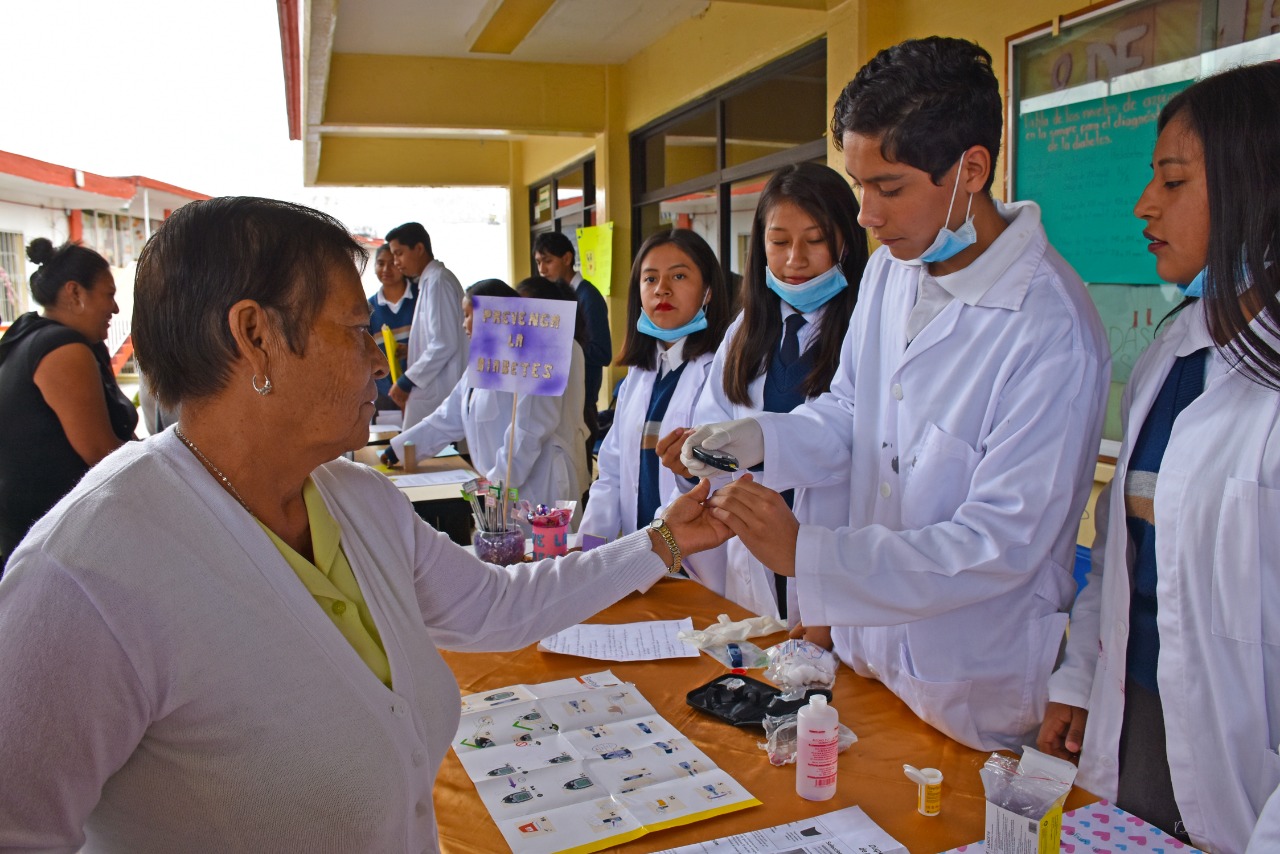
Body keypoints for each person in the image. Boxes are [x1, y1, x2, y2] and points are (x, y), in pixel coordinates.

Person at [0, 197, 730, 850]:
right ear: (256, 337)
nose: (380, 367)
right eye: (355, 331)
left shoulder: (357, 500)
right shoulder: (87, 573)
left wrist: (663, 542)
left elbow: (502, 608)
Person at [685, 36, 1110, 752]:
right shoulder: (891, 272)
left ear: (971, 169)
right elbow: (852, 411)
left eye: (889, 188)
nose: (867, 216)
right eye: (859, 186)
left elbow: (999, 542)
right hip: (863, 660)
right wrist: (760, 438)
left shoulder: (1051, 329)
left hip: (968, 683)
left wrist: (810, 556)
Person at [1036, 63, 1280, 852]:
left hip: (1251, 769)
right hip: (1137, 721)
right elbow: (1115, 556)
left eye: (1173, 181)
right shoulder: (1171, 354)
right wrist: (1077, 679)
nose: (1145, 204)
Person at [662, 163, 867, 620]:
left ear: (847, 243)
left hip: (835, 551)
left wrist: (760, 440)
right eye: (779, 242)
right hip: (750, 557)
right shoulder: (743, 333)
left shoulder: (867, 331)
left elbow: (856, 439)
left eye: (815, 241)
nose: (795, 258)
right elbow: (719, 442)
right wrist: (692, 461)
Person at [578, 229, 730, 544]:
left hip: (693, 559)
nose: (662, 290)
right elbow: (611, 473)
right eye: (650, 279)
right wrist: (589, 548)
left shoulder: (723, 372)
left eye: (678, 276)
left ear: (709, 291)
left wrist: (651, 550)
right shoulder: (638, 375)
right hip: (641, 555)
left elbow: (716, 479)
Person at [388, 278, 589, 508]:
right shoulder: (483, 361)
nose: (463, 324)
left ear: (489, 313)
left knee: (541, 542)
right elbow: (448, 417)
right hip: (501, 487)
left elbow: (529, 429)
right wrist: (400, 447)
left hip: (538, 486)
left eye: (467, 314)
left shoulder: (536, 350)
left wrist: (497, 483)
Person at [0, 238, 136, 572]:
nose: (115, 309)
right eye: (108, 294)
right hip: (54, 543)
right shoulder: (61, 349)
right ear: (75, 293)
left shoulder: (30, 334)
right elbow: (103, 455)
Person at [534, 231, 612, 451]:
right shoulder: (558, 296)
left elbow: (602, 352)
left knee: (579, 476)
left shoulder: (588, 296)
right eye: (538, 262)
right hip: (564, 399)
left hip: (583, 401)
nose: (542, 269)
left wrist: (559, 347)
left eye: (548, 261)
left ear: (567, 259)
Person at [385, 221, 465, 427]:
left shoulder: (438, 282)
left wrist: (406, 381)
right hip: (435, 387)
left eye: (399, 253)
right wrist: (409, 349)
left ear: (419, 248)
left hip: (440, 388)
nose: (396, 262)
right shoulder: (430, 281)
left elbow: (444, 343)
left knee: (420, 449)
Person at [368, 243, 416, 411]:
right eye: (380, 263)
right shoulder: (369, 309)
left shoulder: (420, 298)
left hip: (420, 393)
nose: (386, 269)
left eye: (392, 263)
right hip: (385, 397)